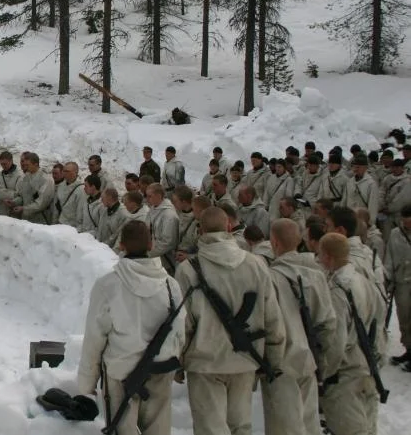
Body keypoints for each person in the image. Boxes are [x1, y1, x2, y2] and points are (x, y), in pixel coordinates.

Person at [174, 207, 285, 435]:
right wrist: (273, 358)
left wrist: (178, 359)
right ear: (228, 227)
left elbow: (183, 324)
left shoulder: (188, 270)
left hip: (204, 360)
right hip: (245, 358)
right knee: (241, 426)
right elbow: (272, 317)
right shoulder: (256, 264)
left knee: (209, 428)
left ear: (200, 230)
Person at [78, 220, 186, 435]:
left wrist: (86, 386)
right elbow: (179, 332)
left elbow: (94, 339)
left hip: (121, 370)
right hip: (160, 368)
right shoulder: (170, 285)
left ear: (121, 246)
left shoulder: (108, 285)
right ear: (151, 244)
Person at [266, 218, 341, 435]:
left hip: (281, 361)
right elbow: (328, 324)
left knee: (284, 425)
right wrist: (323, 359)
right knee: (309, 422)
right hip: (310, 359)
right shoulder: (318, 276)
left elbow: (269, 325)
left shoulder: (270, 277)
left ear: (274, 242)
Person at [317, 233, 386, 435]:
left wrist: (325, 374)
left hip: (346, 373)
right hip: (367, 366)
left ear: (328, 257)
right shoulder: (363, 280)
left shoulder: (337, 291)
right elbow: (379, 320)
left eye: (320, 254)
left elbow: (336, 341)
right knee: (368, 428)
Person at [385, 205, 411, 369]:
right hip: (401, 282)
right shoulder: (395, 234)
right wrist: (387, 278)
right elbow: (389, 257)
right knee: (404, 318)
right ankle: (409, 349)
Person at [10, 152, 55, 224]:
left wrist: (24, 208)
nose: (26, 167)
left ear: (36, 164)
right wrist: (14, 202)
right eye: (25, 164)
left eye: (28, 165)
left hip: (40, 220)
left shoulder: (46, 180)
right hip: (26, 218)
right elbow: (22, 196)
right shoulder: (25, 177)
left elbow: (41, 204)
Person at [146, 183, 180, 275]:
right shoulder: (152, 209)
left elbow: (168, 242)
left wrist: (148, 253)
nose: (147, 199)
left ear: (159, 196)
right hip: (154, 257)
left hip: (165, 261)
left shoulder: (169, 215)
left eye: (150, 196)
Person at [380, 158, 410, 239]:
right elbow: (382, 192)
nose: (395, 169)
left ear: (402, 168)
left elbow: (402, 199)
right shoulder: (387, 178)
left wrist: (390, 208)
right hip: (386, 212)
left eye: (397, 167)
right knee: (386, 236)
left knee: (400, 236)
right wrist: (382, 205)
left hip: (400, 214)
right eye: (393, 167)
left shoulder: (407, 181)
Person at [343, 154, 379, 220]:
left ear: (365, 168)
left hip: (362, 219)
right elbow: (345, 200)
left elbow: (373, 205)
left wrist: (370, 222)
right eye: (354, 167)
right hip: (350, 218)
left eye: (358, 167)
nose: (355, 169)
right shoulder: (350, 182)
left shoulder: (371, 184)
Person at [172, 186, 199, 262]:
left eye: (175, 201)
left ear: (183, 202)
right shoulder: (177, 212)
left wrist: (189, 256)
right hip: (177, 254)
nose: (173, 204)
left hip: (188, 258)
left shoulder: (196, 219)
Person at [54, 162, 85, 227]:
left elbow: (80, 212)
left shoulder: (81, 189)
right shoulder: (61, 185)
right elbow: (57, 206)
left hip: (72, 226)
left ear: (75, 172)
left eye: (67, 171)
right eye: (63, 171)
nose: (64, 173)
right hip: (60, 222)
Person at [0, 151, 23, 216]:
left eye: (5, 164)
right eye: (1, 164)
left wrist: (13, 202)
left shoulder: (19, 177)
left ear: (11, 161)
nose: (3, 166)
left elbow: (21, 197)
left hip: (11, 214)